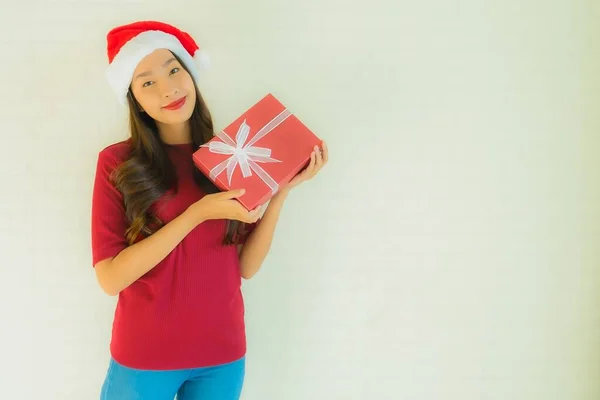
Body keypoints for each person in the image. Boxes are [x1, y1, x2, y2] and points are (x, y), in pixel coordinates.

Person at [91, 20, 328, 400]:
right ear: (134, 97)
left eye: (173, 70)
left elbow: (246, 267)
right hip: (144, 357)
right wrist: (196, 214)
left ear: (190, 73)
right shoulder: (117, 163)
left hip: (222, 354)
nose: (168, 88)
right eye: (147, 82)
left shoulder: (231, 154)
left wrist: (280, 193)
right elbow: (110, 279)